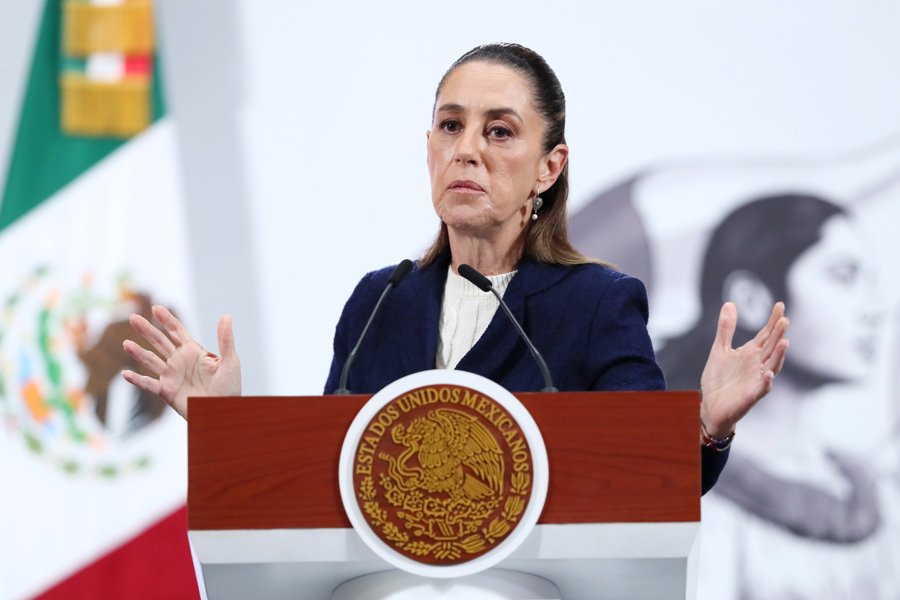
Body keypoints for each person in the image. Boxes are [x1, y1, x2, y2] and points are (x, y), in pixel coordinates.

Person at [121, 43, 789, 494]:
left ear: (549, 168)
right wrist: (225, 427)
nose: (467, 150)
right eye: (450, 127)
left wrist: (708, 426)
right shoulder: (379, 301)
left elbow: (647, 476)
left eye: (499, 131)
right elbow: (328, 485)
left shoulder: (596, 303)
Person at [658, 194, 893, 598]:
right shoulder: (690, 493)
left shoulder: (881, 494)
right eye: (843, 276)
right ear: (752, 298)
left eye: (871, 283)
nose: (874, 309)